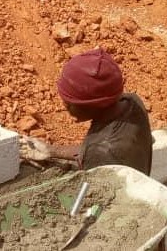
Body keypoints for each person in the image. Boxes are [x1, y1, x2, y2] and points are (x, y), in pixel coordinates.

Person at [20, 48, 153, 175]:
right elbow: (96, 150)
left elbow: (89, 194)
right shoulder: (132, 103)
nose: (65, 106)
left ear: (92, 106)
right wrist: (51, 150)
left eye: (69, 104)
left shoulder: (102, 152)